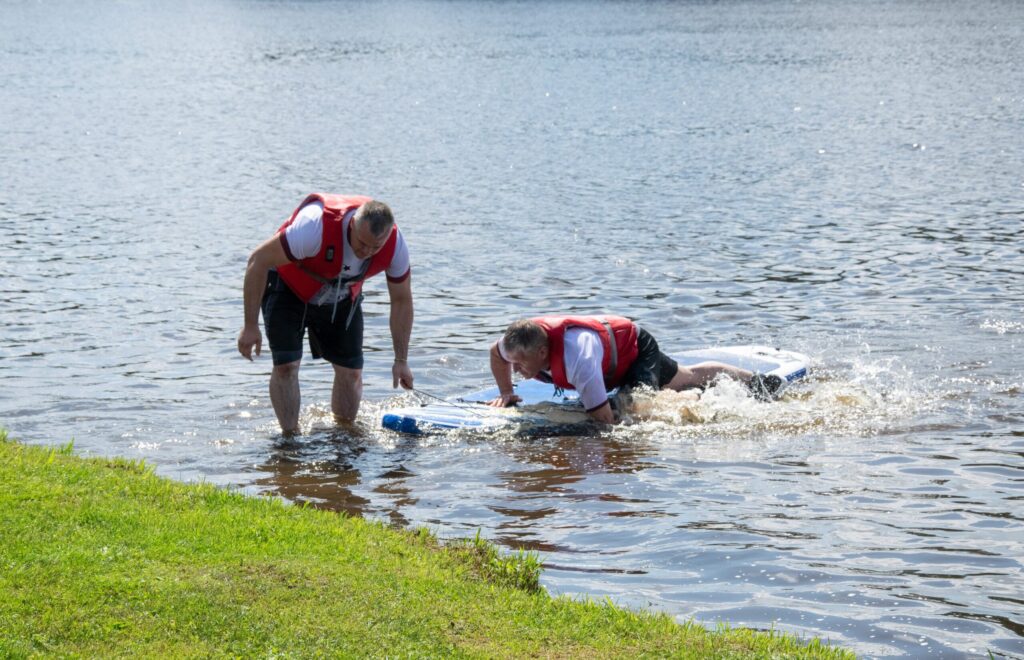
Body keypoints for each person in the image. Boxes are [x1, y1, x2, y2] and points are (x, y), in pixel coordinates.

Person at [237, 193, 413, 435]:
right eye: (361, 243)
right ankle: (290, 439)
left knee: (351, 372)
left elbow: (402, 300)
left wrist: (401, 360)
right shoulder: (314, 227)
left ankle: (343, 436)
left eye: (375, 247)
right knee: (287, 366)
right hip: (290, 288)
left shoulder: (396, 244)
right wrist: (250, 325)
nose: (366, 252)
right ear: (352, 225)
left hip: (340, 294)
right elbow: (257, 261)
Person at [487, 315, 781, 424]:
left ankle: (753, 384)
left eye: (521, 364)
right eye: (512, 361)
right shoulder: (518, 342)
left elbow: (603, 421)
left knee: (630, 408)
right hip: (608, 363)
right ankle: (691, 388)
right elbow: (495, 354)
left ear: (542, 352)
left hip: (637, 349)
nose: (514, 368)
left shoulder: (578, 357)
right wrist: (506, 393)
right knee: (681, 377)